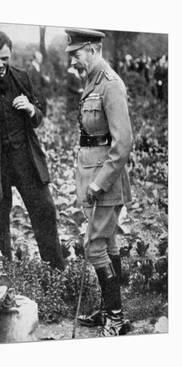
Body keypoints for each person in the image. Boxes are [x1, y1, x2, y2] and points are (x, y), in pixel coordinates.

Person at [0, 30, 65, 270]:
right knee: (0, 223)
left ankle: (57, 271)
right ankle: (5, 278)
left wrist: (30, 108)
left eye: (4, 58)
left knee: (45, 210)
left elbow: (39, 115)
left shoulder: (22, 77)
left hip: (25, 160)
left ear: (10, 56)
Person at [65, 28, 133, 336]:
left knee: (93, 247)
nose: (74, 61)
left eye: (77, 54)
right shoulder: (91, 81)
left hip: (105, 182)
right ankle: (109, 311)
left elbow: (123, 143)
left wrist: (99, 182)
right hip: (90, 174)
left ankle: (116, 320)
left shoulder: (110, 84)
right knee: (107, 243)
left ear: (92, 49)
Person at [27, 51, 50, 116]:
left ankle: (44, 121)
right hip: (34, 93)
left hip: (41, 92)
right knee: (36, 109)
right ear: (35, 58)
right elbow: (29, 82)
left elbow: (42, 80)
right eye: (39, 58)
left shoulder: (40, 67)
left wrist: (46, 79)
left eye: (41, 58)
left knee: (43, 106)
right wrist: (35, 93)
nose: (41, 59)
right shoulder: (30, 68)